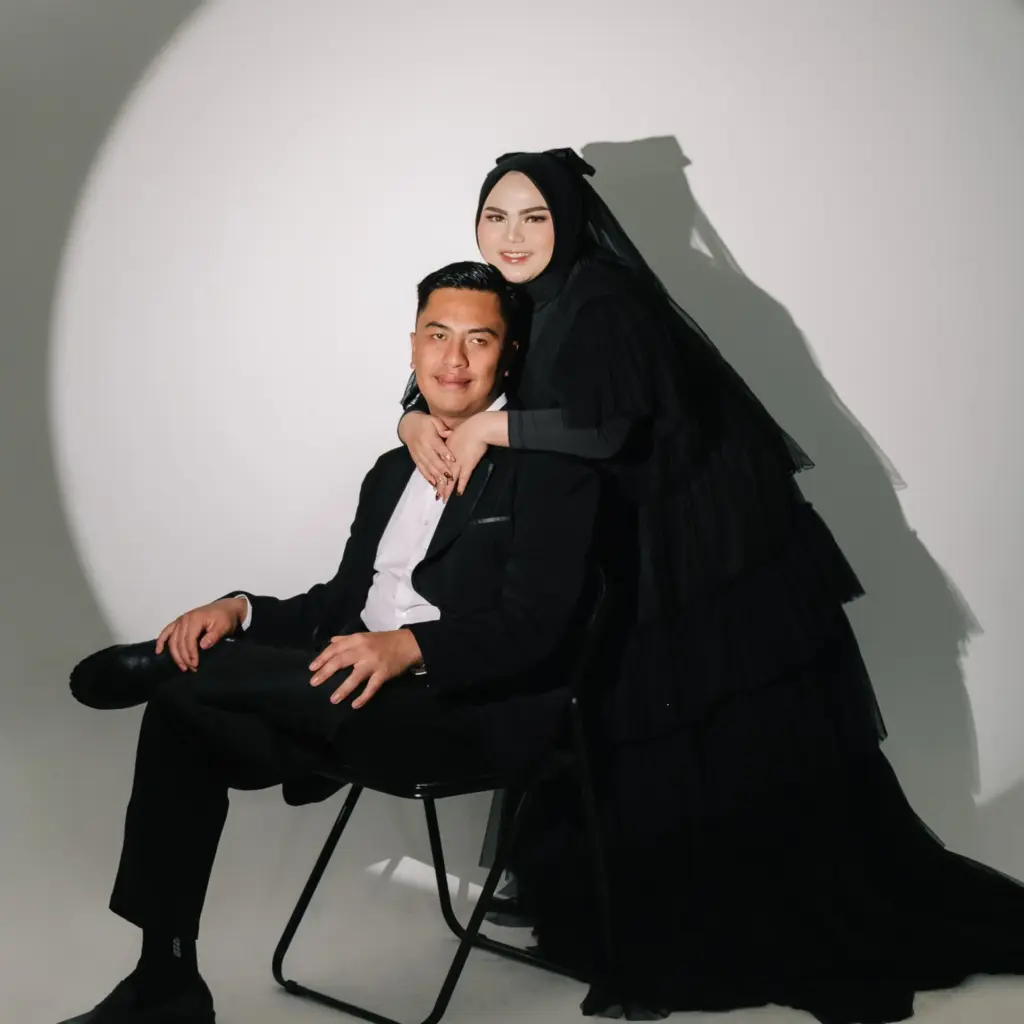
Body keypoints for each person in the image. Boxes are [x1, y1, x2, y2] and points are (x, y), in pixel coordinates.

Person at [397, 150, 1024, 1024]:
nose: (512, 235)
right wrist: (415, 417)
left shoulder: (607, 301)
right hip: (616, 531)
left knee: (699, 730)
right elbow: (459, 366)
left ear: (568, 223)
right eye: (495, 216)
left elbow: (610, 432)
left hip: (690, 541)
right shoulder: (519, 297)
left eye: (534, 217)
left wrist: (491, 432)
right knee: (631, 726)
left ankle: (719, 920)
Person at [59, 261, 600, 1024]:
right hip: (346, 696)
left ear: (507, 356)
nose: (453, 359)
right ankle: (166, 981)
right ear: (412, 345)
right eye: (437, 336)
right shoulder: (391, 472)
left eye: (477, 341)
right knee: (180, 713)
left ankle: (173, 666)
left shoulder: (548, 473)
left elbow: (537, 630)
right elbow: (339, 606)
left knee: (197, 684)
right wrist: (241, 610)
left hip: (459, 715)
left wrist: (409, 648)